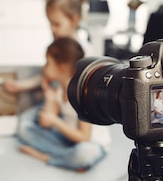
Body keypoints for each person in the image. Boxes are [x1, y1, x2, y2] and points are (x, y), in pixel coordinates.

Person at [16, 37, 110, 171]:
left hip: (91, 143)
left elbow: (84, 137)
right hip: (69, 139)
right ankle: (68, 158)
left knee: (84, 153)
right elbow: (45, 125)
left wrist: (54, 120)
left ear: (62, 67)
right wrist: (49, 98)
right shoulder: (59, 90)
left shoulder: (82, 95)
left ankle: (47, 157)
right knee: (24, 130)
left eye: (48, 63)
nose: (44, 68)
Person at [4, 0, 92, 94]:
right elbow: (48, 73)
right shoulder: (58, 45)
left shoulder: (83, 53)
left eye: (56, 24)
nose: (52, 29)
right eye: (50, 23)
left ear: (74, 20)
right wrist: (21, 85)